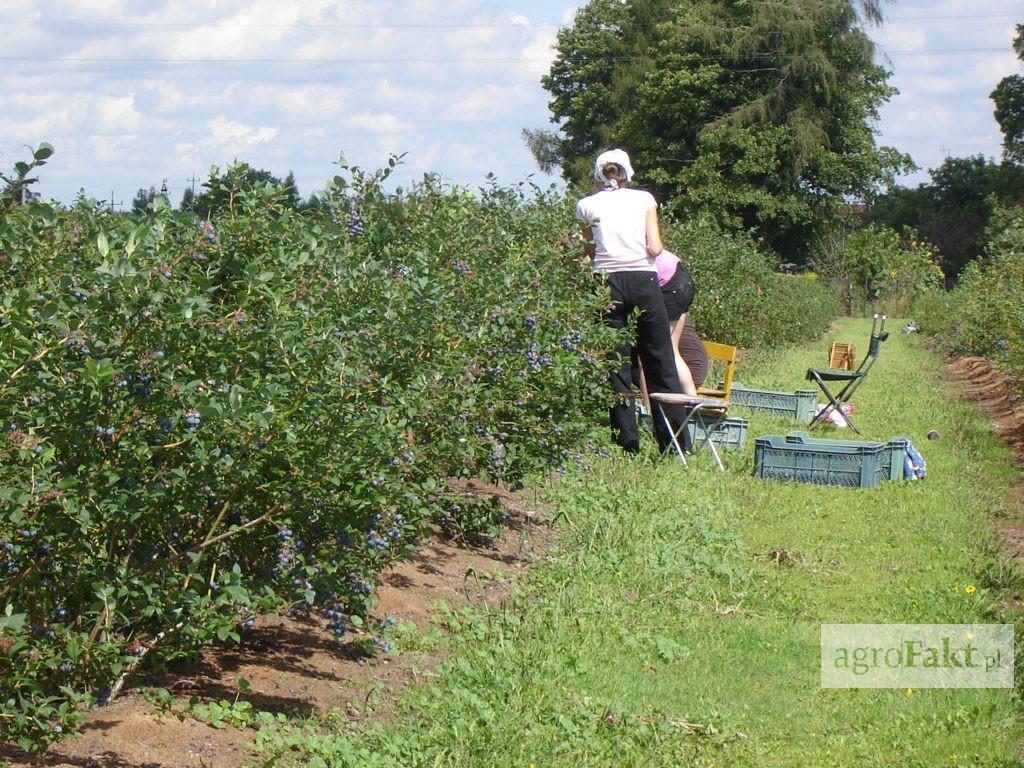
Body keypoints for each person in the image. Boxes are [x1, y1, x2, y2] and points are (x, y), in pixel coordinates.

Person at [576, 149, 686, 454]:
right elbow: (655, 247)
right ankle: (674, 443)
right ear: (627, 173)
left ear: (599, 175)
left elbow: (590, 252)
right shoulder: (644, 199)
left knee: (617, 364)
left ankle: (627, 444)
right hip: (643, 280)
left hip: (606, 283)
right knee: (660, 362)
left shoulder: (585, 205)